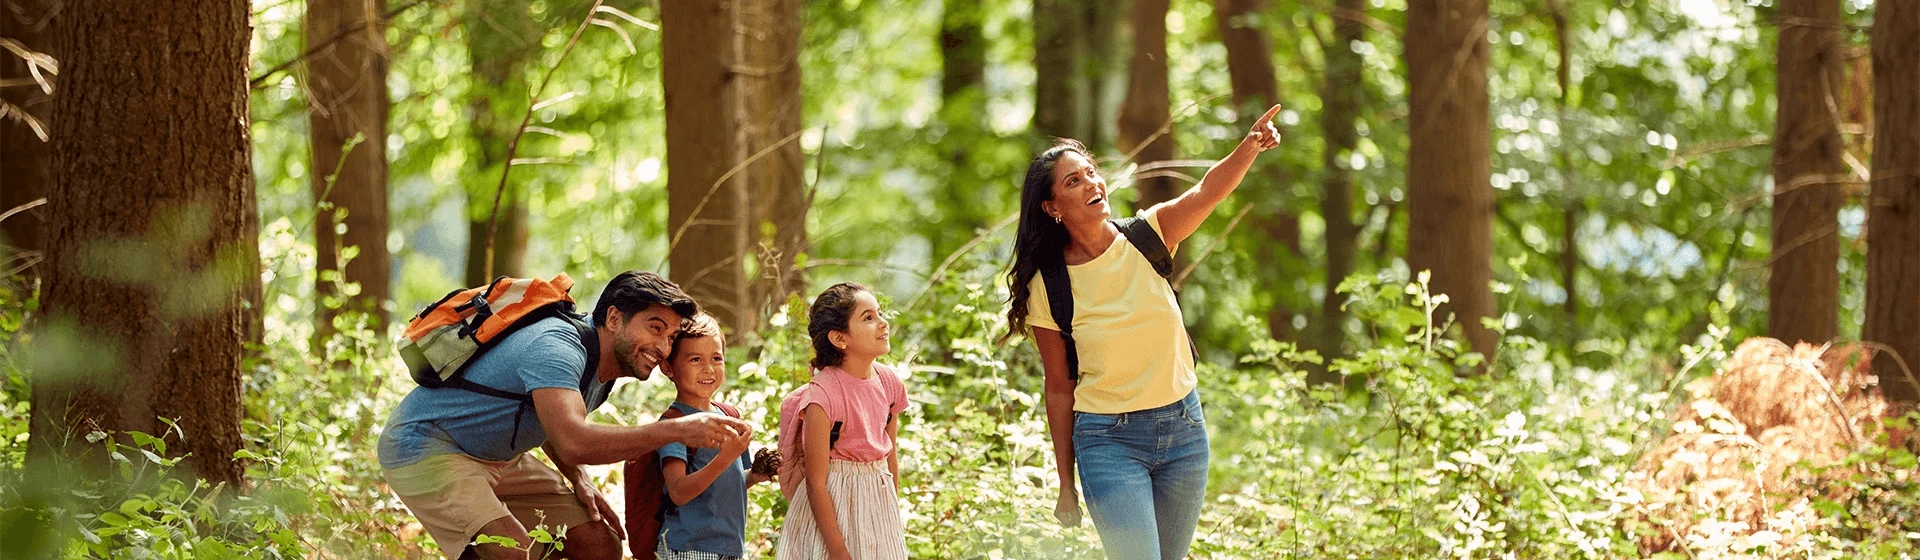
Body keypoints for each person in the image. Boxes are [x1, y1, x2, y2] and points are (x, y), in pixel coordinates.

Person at [1002, 106, 1283, 559]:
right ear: (1052, 208)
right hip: (1108, 441)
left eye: (1091, 173)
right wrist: (1065, 485)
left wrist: (1250, 144)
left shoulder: (1148, 235)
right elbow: (1058, 388)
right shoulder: (1049, 286)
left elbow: (1207, 192)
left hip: (1184, 431)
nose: (1092, 183)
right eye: (1073, 181)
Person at [378, 270, 754, 560]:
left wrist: (578, 479)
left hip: (497, 457)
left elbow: (549, 423)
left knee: (600, 545)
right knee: (514, 552)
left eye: (671, 337)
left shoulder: (605, 370)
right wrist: (678, 431)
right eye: (655, 328)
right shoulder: (557, 347)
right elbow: (573, 440)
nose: (662, 346)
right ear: (613, 319)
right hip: (427, 446)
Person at [777, 283, 910, 560]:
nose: (883, 323)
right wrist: (838, 551)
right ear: (839, 339)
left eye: (879, 313)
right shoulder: (823, 395)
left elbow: (890, 454)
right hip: (833, 510)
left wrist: (891, 516)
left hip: (878, 503)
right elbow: (816, 481)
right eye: (868, 318)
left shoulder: (889, 383)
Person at [655, 313, 774, 560]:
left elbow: (728, 483)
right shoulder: (674, 424)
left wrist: (755, 475)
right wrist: (724, 458)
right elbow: (678, 492)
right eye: (695, 359)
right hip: (689, 548)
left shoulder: (728, 416)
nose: (708, 368)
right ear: (668, 367)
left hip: (729, 548)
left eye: (716, 358)